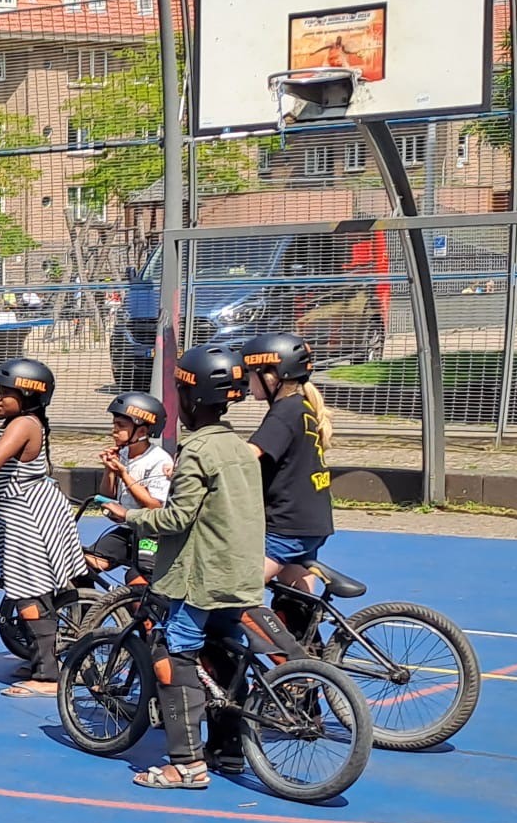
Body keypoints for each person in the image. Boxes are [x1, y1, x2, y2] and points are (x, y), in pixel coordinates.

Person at [101, 346, 266, 791]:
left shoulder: (196, 452)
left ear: (190, 400)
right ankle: (229, 750)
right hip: (240, 572)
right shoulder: (237, 447)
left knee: (173, 660)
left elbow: (176, 518)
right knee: (227, 654)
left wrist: (129, 517)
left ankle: (186, 764)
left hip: (200, 576)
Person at [0, 358, 88, 696]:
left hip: (31, 514)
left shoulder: (24, 424)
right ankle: (43, 657)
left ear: (27, 395)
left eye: (5, 393)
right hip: (18, 513)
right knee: (30, 587)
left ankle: (48, 676)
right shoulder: (9, 425)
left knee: (26, 588)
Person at [240, 332, 335, 594]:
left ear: (273, 375)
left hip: (286, 526)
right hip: (310, 520)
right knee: (296, 602)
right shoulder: (302, 406)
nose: (248, 380)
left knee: (235, 591)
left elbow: (249, 454)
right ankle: (303, 635)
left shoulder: (285, 411)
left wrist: (204, 461)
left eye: (251, 371)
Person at [87, 390, 173, 579]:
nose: (114, 430)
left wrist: (124, 474)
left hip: (150, 533)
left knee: (136, 579)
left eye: (120, 425)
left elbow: (154, 506)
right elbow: (108, 496)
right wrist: (110, 470)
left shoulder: (158, 460)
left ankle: (138, 607)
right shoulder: (123, 454)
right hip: (127, 528)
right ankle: (90, 607)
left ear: (141, 431)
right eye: (114, 424)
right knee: (84, 562)